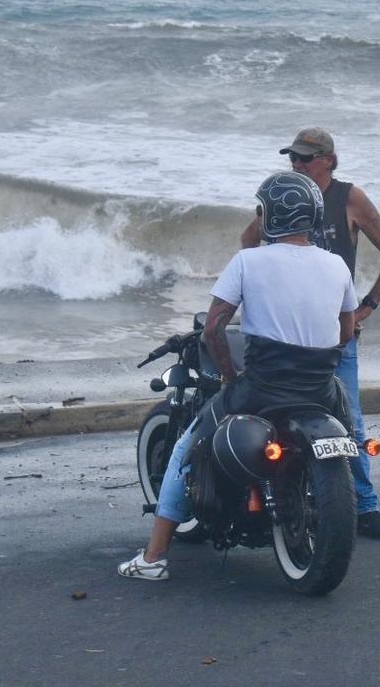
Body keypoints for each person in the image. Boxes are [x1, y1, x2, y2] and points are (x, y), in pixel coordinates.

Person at [119, 171, 357, 580]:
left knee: (184, 449)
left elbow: (213, 328)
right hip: (319, 387)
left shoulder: (248, 261)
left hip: (262, 388)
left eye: (262, 210)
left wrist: (229, 376)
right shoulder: (336, 265)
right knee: (347, 433)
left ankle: (154, 558)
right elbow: (347, 330)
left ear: (271, 216)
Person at [242, 128, 380, 540]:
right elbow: (249, 241)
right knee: (274, 420)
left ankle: (365, 508)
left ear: (329, 159)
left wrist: (366, 306)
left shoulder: (349, 198)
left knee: (348, 421)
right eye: (292, 159)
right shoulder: (284, 200)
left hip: (336, 335)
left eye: (305, 158)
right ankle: (275, 500)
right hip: (286, 334)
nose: (296, 165)